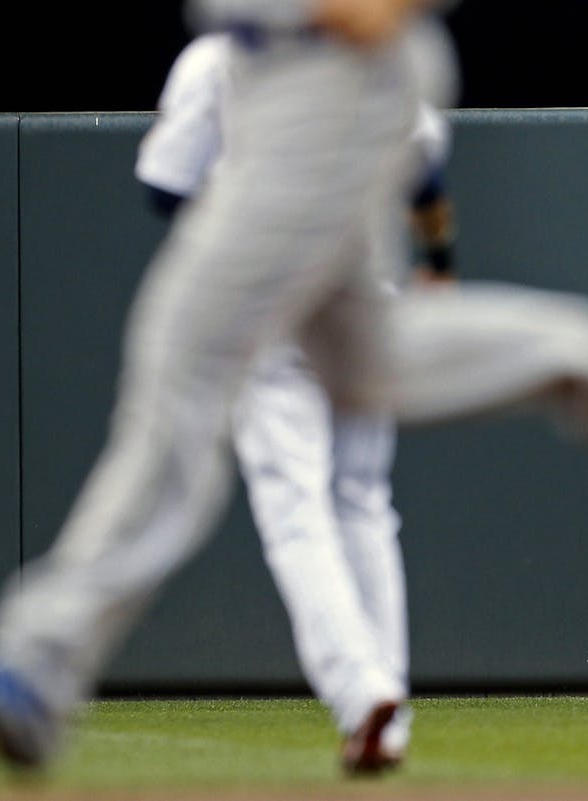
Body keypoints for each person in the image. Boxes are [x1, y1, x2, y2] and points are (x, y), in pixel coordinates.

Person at [0, 0, 588, 779]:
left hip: (329, 74)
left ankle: (42, 661)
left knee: (183, 361)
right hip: (272, 78)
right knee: (370, 364)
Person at [130, 30, 458, 773]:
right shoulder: (378, 49)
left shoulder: (222, 56)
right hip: (368, 294)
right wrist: (440, 262)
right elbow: (426, 170)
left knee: (296, 506)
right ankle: (388, 702)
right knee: (363, 499)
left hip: (270, 302)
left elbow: (164, 184)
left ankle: (363, 689)